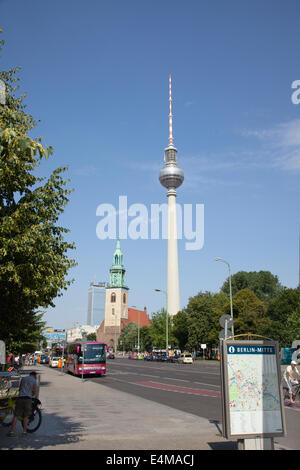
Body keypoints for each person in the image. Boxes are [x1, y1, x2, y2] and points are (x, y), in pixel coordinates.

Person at [7, 371, 38, 436]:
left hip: (20, 398)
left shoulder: (23, 379)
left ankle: (12, 431)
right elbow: (34, 391)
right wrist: (31, 394)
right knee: (26, 416)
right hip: (28, 399)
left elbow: (20, 388)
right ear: (34, 376)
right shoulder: (34, 381)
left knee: (16, 415)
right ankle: (24, 431)